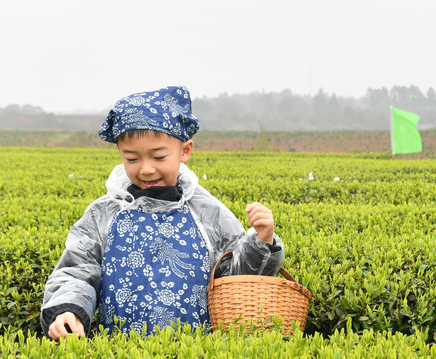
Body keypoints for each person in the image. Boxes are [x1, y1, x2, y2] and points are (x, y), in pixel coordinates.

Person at [41, 85, 284, 339]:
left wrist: (262, 242)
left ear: (185, 150)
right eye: (132, 159)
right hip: (117, 355)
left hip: (197, 356)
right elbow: (77, 269)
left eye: (158, 157)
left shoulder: (208, 213)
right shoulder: (103, 214)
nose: (146, 169)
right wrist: (68, 309)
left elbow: (236, 283)